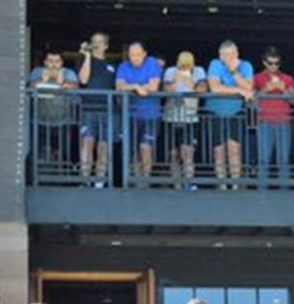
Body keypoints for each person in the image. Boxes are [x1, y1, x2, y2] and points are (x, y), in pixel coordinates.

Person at [206, 40, 255, 189]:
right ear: (220, 56)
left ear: (237, 54)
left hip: (236, 112)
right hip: (216, 112)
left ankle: (235, 184)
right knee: (218, 150)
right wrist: (238, 90)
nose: (229, 57)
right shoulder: (215, 64)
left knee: (235, 149)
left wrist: (234, 72)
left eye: (232, 54)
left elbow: (249, 87)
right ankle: (222, 185)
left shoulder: (245, 65)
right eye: (226, 55)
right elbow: (214, 87)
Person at [115, 40, 163, 181]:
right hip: (130, 115)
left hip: (151, 115)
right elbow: (119, 86)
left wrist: (130, 86)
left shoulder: (152, 63)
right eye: (132, 54)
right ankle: (135, 180)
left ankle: (145, 180)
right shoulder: (124, 66)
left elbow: (153, 86)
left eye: (138, 54)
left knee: (145, 147)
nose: (135, 57)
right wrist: (136, 87)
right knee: (131, 150)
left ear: (144, 54)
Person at [253, 46, 294, 190]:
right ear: (264, 62)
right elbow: (251, 100)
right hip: (264, 121)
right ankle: (262, 191)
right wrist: (267, 88)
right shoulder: (257, 78)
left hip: (284, 122)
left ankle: (284, 193)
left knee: (283, 160)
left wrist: (283, 88)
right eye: (270, 63)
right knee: (263, 159)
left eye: (276, 63)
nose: (274, 66)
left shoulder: (287, 78)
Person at [76, 32, 117, 187]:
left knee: (104, 145)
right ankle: (85, 180)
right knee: (87, 143)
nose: (96, 44)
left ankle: (100, 180)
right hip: (88, 108)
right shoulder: (84, 60)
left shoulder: (112, 65)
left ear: (106, 45)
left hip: (108, 110)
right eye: (93, 41)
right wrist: (87, 56)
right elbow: (83, 80)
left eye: (99, 42)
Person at [162, 51, 207, 190]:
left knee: (188, 153)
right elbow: (166, 89)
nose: (185, 65)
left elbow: (202, 90)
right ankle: (177, 185)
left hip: (190, 118)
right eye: (182, 62)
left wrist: (188, 80)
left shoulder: (198, 71)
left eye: (188, 62)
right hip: (171, 117)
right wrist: (177, 79)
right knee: (173, 153)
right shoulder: (171, 71)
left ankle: (188, 183)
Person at [28, 49, 79, 167]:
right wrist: (42, 80)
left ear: (61, 63)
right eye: (50, 61)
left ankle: (61, 179)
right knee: (38, 153)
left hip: (63, 121)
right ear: (45, 62)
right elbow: (30, 86)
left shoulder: (68, 72)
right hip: (39, 121)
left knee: (63, 154)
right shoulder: (38, 71)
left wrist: (63, 82)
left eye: (57, 61)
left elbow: (76, 87)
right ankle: (38, 181)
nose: (54, 64)